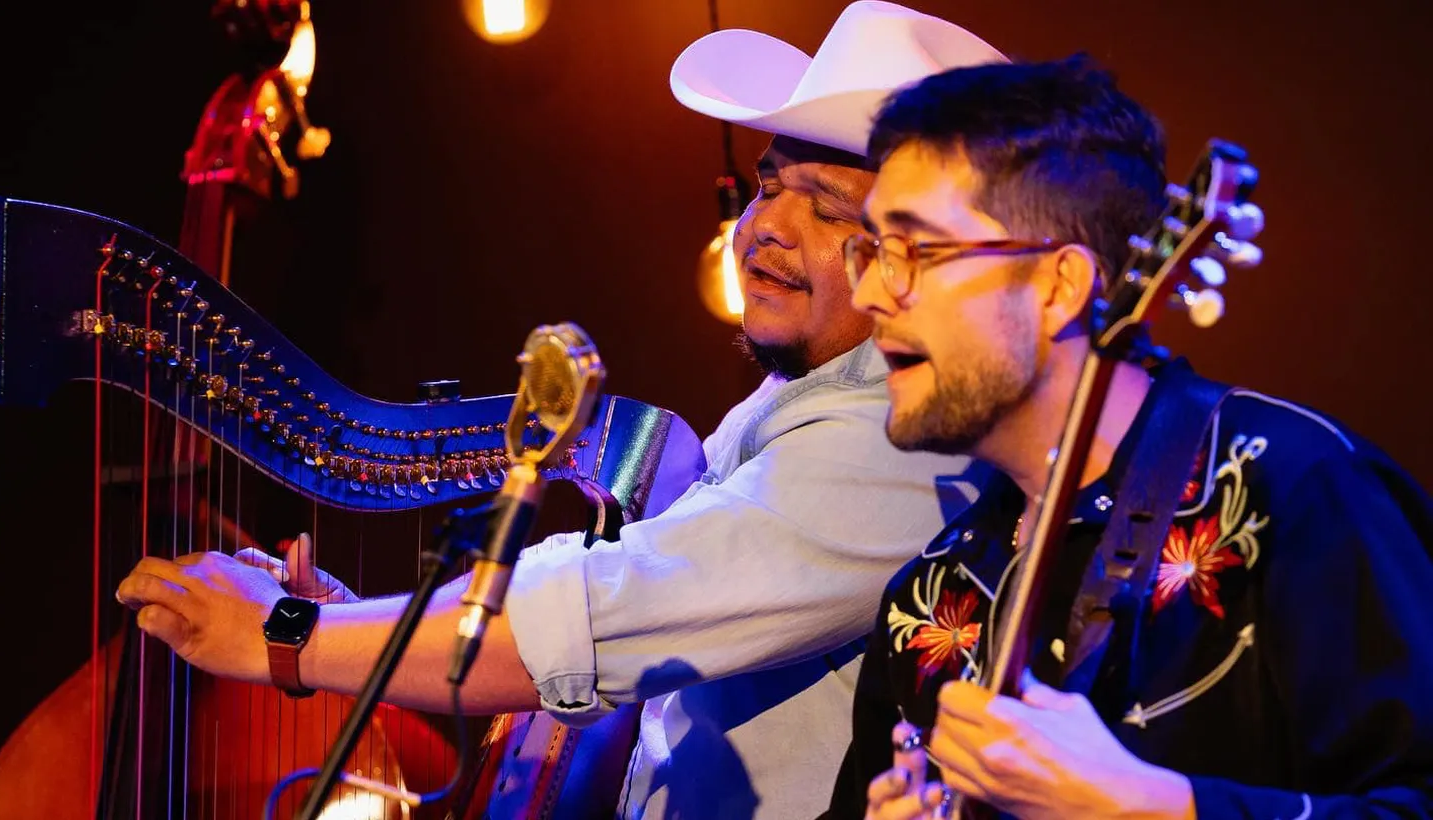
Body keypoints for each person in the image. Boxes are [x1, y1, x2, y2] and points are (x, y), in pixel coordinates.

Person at [113, 4, 1011, 817]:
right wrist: (358, 628)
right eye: (772, 184)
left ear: (914, 257)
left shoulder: (901, 446)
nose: (769, 226)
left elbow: (607, 613)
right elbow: (640, 649)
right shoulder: (796, 398)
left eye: (826, 208)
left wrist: (287, 635)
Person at [825, 55, 1433, 819]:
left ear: (1060, 286)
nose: (869, 292)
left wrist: (1150, 808)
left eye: (915, 251)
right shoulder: (932, 595)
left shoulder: (1293, 490)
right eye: (872, 251)